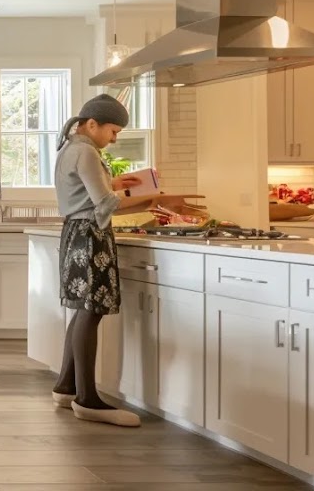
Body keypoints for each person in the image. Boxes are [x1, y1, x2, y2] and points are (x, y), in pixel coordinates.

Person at [49, 94, 199, 427]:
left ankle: (66, 385)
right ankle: (87, 400)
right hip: (90, 235)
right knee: (91, 310)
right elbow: (104, 204)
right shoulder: (87, 152)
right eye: (113, 131)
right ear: (92, 124)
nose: (115, 139)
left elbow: (90, 196)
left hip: (76, 233)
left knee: (83, 309)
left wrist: (117, 185)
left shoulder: (69, 149)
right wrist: (159, 198)